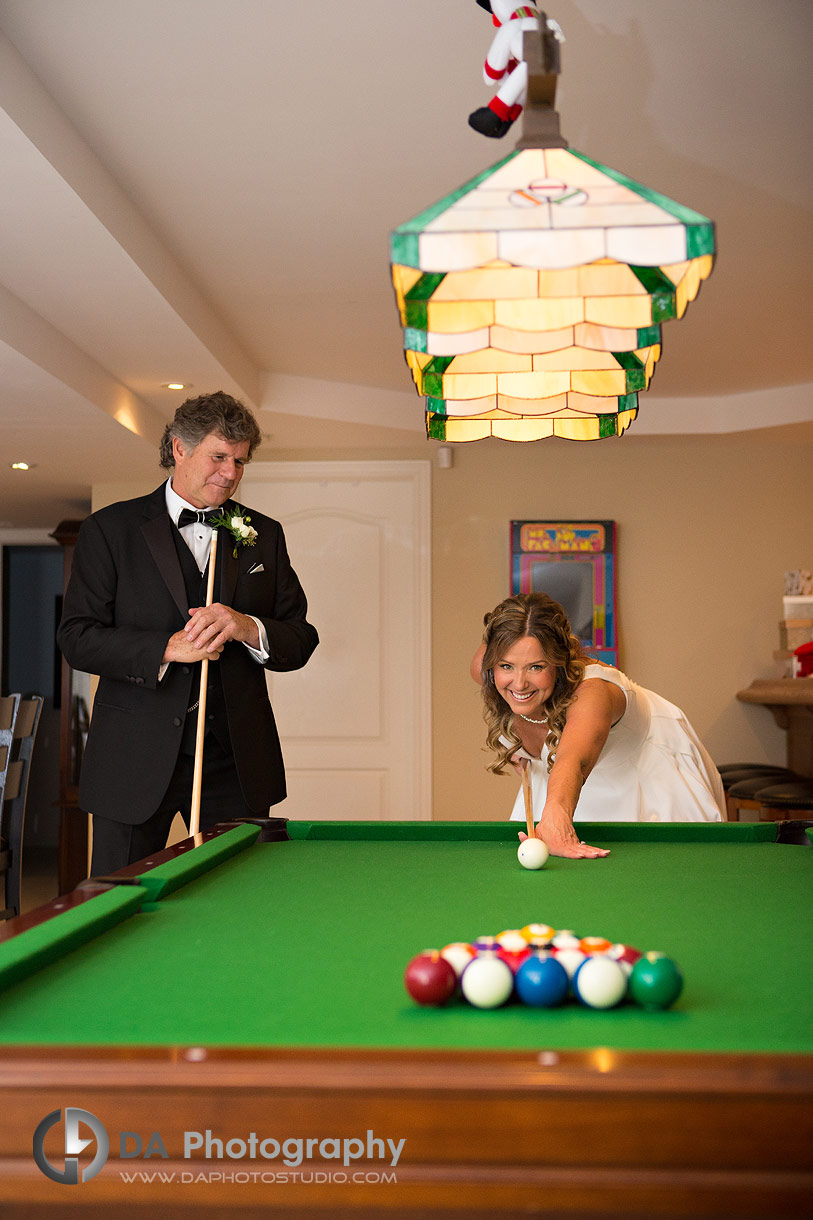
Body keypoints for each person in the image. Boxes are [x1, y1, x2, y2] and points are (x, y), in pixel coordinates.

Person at [57, 390, 319, 874]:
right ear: (179, 448)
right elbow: (77, 637)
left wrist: (245, 626)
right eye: (219, 457)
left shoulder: (264, 533)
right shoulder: (109, 530)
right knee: (122, 898)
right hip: (132, 760)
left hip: (236, 760)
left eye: (240, 462)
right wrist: (166, 648)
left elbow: (300, 638)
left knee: (243, 902)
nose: (230, 473)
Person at [472, 593, 725, 859]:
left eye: (536, 667)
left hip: (646, 779)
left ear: (559, 663)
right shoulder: (485, 669)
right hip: (564, 786)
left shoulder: (593, 693)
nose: (520, 683)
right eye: (506, 666)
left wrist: (556, 819)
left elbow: (573, 760)